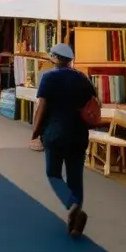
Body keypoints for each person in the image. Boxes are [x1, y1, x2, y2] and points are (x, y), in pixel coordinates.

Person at [31, 43, 95, 238]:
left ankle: (72, 204)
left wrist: (35, 130)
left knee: (53, 173)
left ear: (55, 58)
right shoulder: (82, 78)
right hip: (79, 133)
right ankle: (75, 223)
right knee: (76, 176)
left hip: (55, 132)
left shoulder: (49, 77)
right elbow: (93, 103)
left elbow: (42, 105)